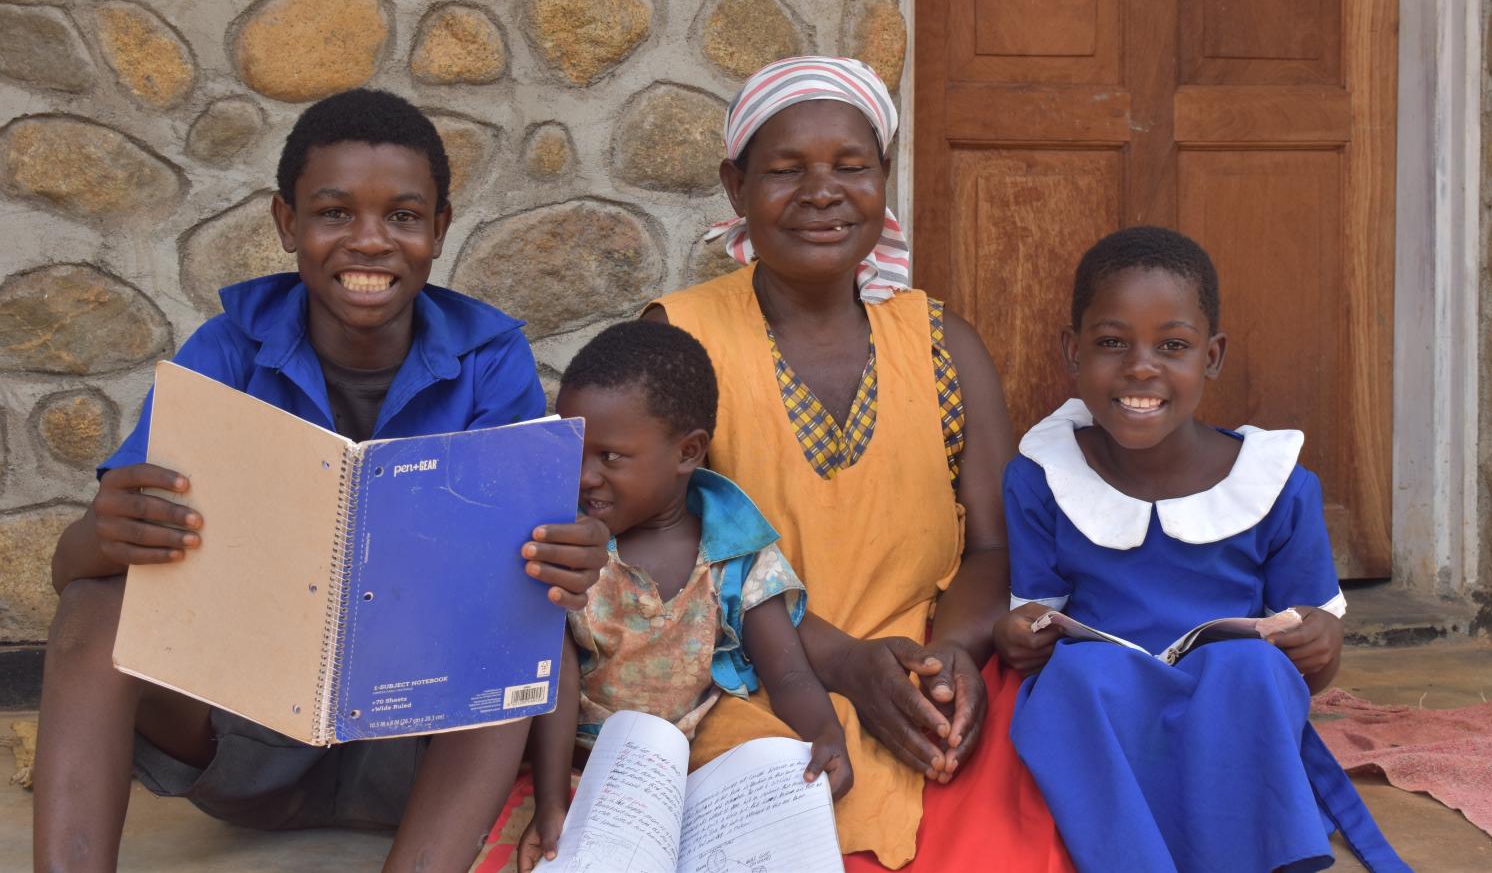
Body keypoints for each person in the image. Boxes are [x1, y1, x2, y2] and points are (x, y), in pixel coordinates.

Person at [32, 89, 610, 873]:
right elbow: (75, 571)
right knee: (96, 603)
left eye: (403, 217)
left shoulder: (488, 359)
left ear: (439, 229)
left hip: (410, 747)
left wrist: (566, 559)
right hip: (242, 739)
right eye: (335, 213)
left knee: (514, 622)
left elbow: (532, 563)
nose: (370, 242)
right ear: (286, 223)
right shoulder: (228, 350)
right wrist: (100, 536)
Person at [646, 56, 1072, 871]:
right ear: (735, 188)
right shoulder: (681, 340)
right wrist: (842, 663)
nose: (821, 191)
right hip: (744, 679)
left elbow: (994, 545)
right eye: (784, 169)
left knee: (1025, 804)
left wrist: (953, 658)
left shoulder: (943, 343)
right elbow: (663, 563)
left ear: (884, 180)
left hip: (926, 676)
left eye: (852, 166)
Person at [995, 226, 1407, 873]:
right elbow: (1032, 621)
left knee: (1253, 670)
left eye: (1173, 345)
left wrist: (1320, 641)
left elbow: (1309, 661)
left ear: (1211, 356)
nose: (1140, 366)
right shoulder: (1041, 476)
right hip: (1112, 698)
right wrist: (1017, 634)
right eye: (1111, 342)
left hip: (1227, 698)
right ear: (1072, 352)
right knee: (1073, 678)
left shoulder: (1275, 484)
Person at [517, 320, 852, 870]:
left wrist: (826, 737)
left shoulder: (735, 550)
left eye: (610, 457)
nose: (583, 477)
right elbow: (556, 675)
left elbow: (787, 671)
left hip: (698, 769)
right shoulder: (570, 548)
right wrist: (550, 802)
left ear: (688, 451)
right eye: (574, 450)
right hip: (580, 768)